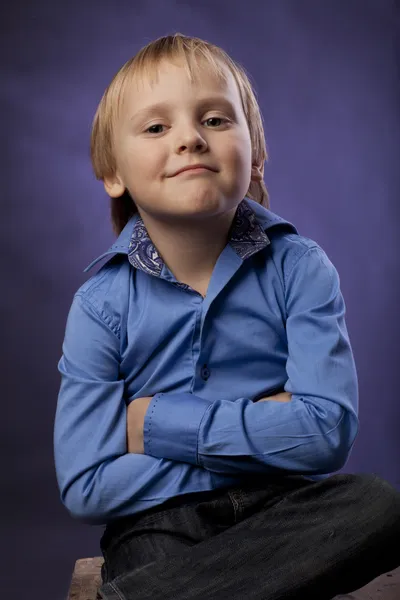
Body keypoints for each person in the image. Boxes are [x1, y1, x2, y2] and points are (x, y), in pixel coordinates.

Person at [54, 33, 400, 600]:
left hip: (281, 509)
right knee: (150, 556)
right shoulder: (101, 306)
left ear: (255, 153)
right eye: (156, 128)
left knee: (380, 506)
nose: (190, 138)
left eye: (215, 119)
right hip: (161, 519)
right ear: (113, 172)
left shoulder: (301, 268)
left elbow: (327, 435)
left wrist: (153, 425)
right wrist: (267, 432)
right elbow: (88, 486)